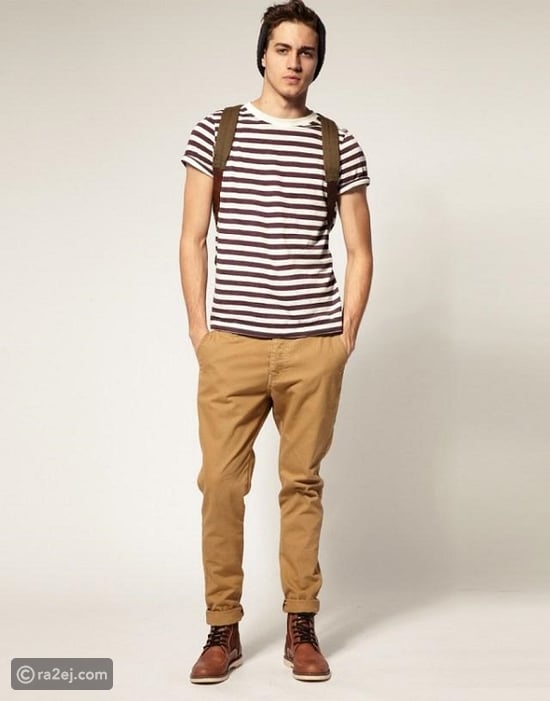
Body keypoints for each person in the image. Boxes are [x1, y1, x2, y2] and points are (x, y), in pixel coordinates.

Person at [179, 0, 373, 684]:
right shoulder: (218, 131)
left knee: (302, 485)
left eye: (307, 52)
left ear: (317, 62)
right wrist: (200, 331)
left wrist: (344, 336)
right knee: (220, 484)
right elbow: (193, 237)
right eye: (283, 49)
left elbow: (360, 249)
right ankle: (222, 627)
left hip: (311, 347)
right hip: (231, 344)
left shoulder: (338, 144)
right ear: (263, 54)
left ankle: (301, 625)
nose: (295, 62)